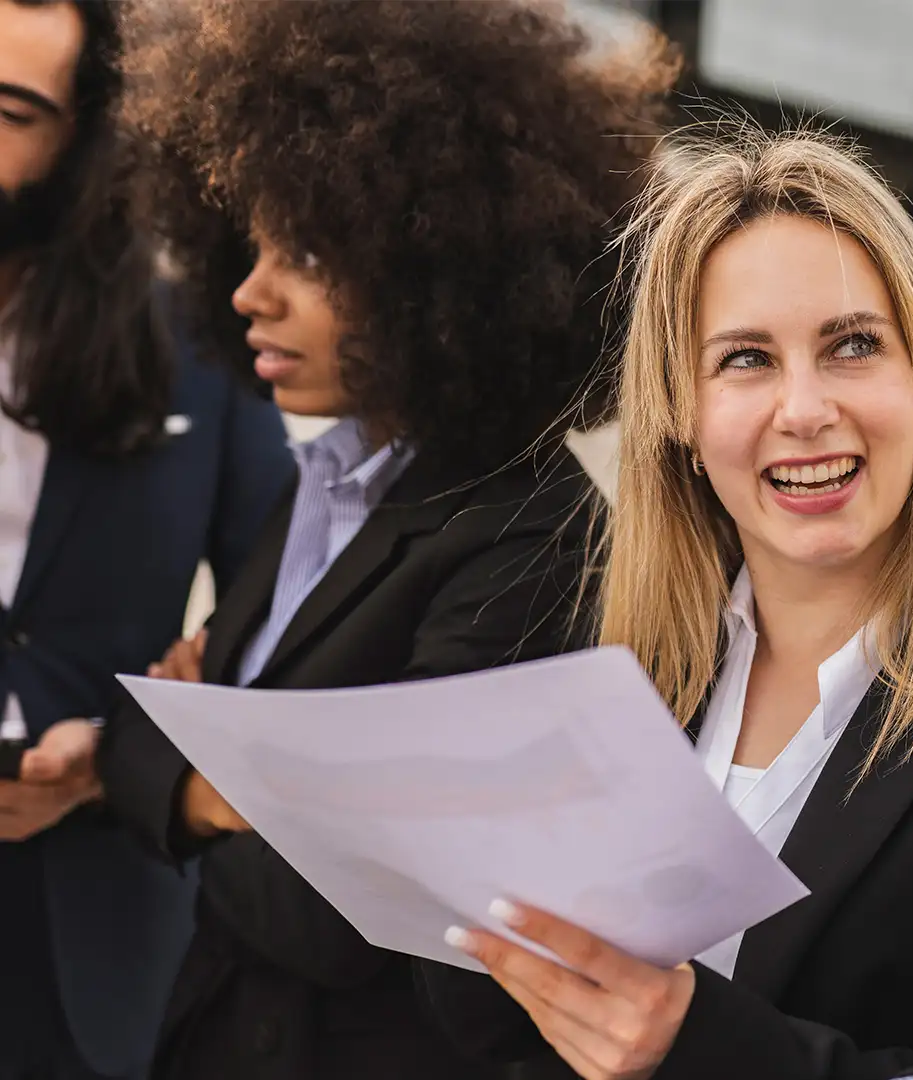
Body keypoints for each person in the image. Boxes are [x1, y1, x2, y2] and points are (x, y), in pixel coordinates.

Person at [16, 2, 672, 1077]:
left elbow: (349, 913)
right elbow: (245, 797)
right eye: (254, 240)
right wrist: (237, 782)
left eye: (309, 254)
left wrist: (191, 764)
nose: (247, 293)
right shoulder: (329, 479)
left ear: (441, 266)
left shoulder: (531, 540)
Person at [418, 126, 913, 1080]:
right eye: (747, 360)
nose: (803, 410)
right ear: (681, 412)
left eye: (852, 346)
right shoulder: (607, 688)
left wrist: (696, 1044)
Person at [0, 1, 292, 1076]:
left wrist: (114, 759)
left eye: (10, 111)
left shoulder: (199, 351)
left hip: (99, 935)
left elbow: (291, 611)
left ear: (86, 146)